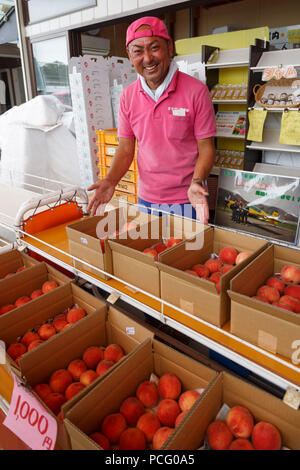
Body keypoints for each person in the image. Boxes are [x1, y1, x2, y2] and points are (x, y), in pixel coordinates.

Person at [88, 16, 216, 223]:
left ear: (169, 48)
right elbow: (126, 148)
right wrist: (111, 180)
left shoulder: (196, 91)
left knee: (185, 254)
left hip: (188, 199)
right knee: (149, 253)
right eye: (138, 51)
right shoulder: (128, 97)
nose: (147, 58)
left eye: (154, 47)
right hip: (146, 200)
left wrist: (198, 181)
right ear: (130, 56)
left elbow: (207, 147)